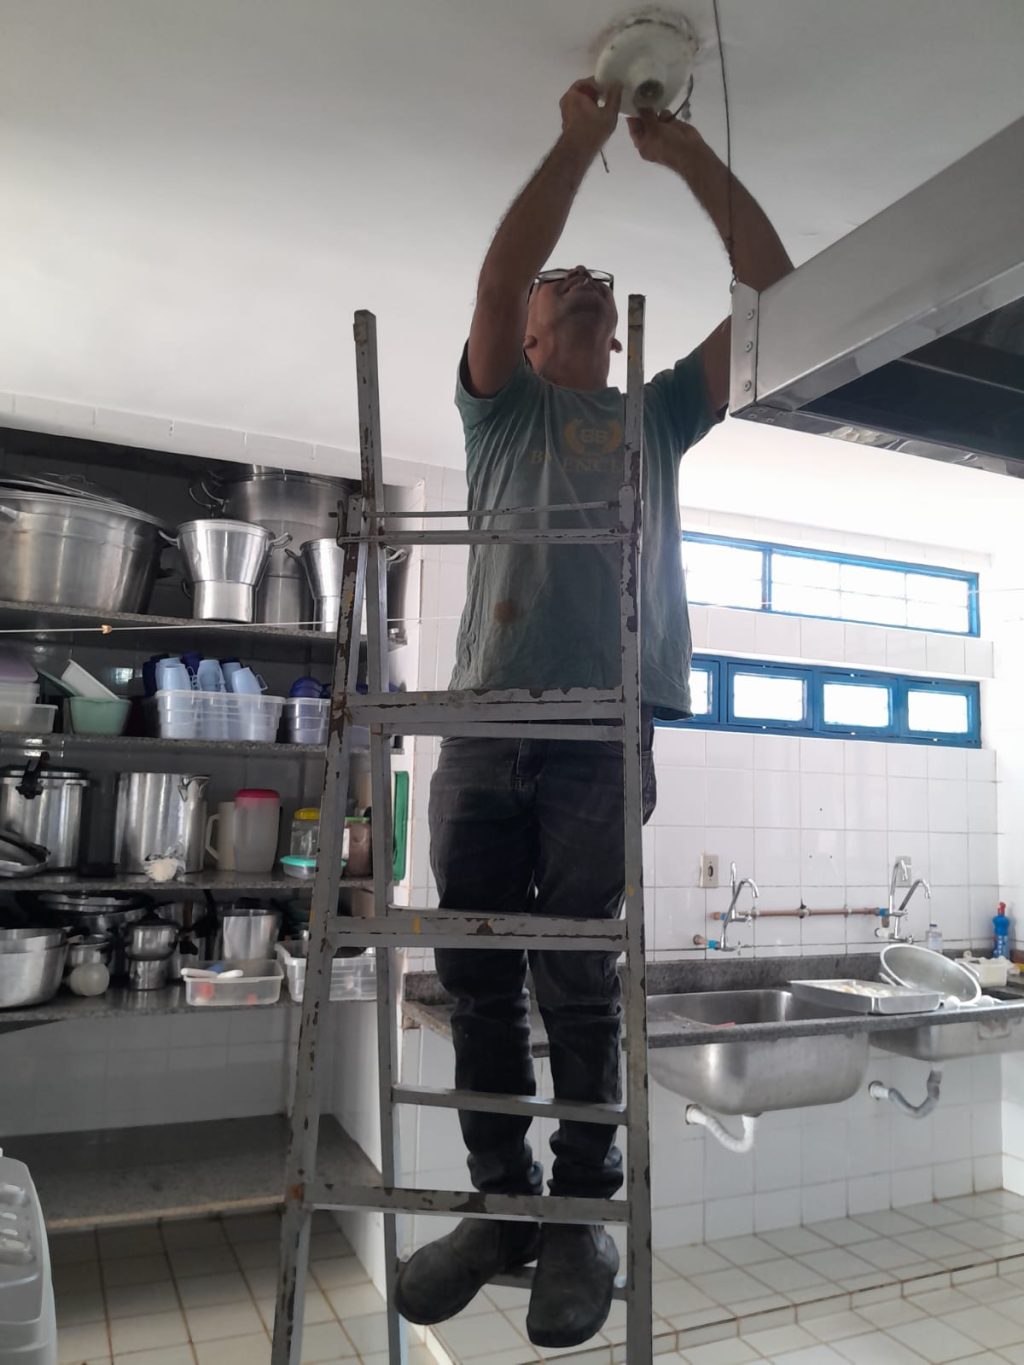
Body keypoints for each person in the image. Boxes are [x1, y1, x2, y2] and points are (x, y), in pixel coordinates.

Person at [395, 79, 792, 1350]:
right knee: (475, 975)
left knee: (574, 980)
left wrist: (686, 155)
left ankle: (576, 1221)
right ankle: (500, 1207)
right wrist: (577, 143)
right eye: (559, 284)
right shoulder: (500, 406)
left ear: (617, 343)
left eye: (597, 290)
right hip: (486, 718)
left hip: (605, 726)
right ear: (522, 332)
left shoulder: (652, 418)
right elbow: (498, 271)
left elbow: (772, 292)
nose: (582, 286)